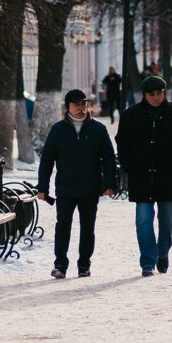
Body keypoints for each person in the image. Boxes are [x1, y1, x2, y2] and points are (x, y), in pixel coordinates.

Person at [115, 75, 172, 276]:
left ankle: (162, 253)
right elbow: (122, 144)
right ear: (145, 95)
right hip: (141, 176)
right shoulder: (130, 116)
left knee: (168, 219)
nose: (156, 97)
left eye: (159, 93)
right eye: (151, 94)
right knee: (143, 219)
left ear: (164, 92)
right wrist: (129, 166)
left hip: (167, 174)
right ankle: (147, 261)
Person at [36, 89, 117, 278]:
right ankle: (60, 265)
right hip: (66, 188)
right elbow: (47, 159)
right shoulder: (58, 130)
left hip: (90, 188)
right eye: (76, 105)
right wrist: (42, 187)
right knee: (62, 226)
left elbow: (108, 159)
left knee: (88, 227)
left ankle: (84, 264)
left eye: (83, 104)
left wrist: (109, 184)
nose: (81, 108)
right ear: (68, 107)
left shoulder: (98, 129)